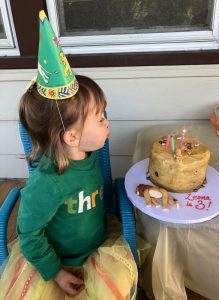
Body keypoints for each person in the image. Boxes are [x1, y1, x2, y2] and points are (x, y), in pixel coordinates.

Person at [0, 11, 137, 300]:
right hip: (57, 261)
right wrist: (56, 272)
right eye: (100, 118)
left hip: (97, 248)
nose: (107, 122)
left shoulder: (91, 155)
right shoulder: (47, 183)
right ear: (71, 137)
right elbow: (29, 233)